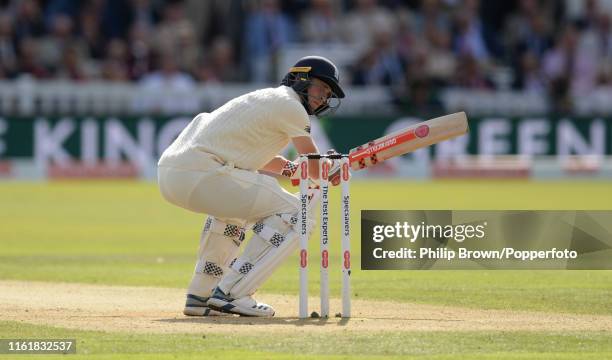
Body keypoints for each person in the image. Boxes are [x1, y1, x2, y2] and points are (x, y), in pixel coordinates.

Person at [157, 56, 346, 317]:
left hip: (173, 173)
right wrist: (331, 166)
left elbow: (254, 156)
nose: (323, 97)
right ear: (300, 80)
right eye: (320, 88)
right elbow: (315, 168)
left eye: (327, 94)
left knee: (234, 213)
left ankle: (201, 294)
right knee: (298, 213)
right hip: (203, 172)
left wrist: (292, 168)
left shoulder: (266, 100)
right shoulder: (291, 106)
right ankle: (233, 292)